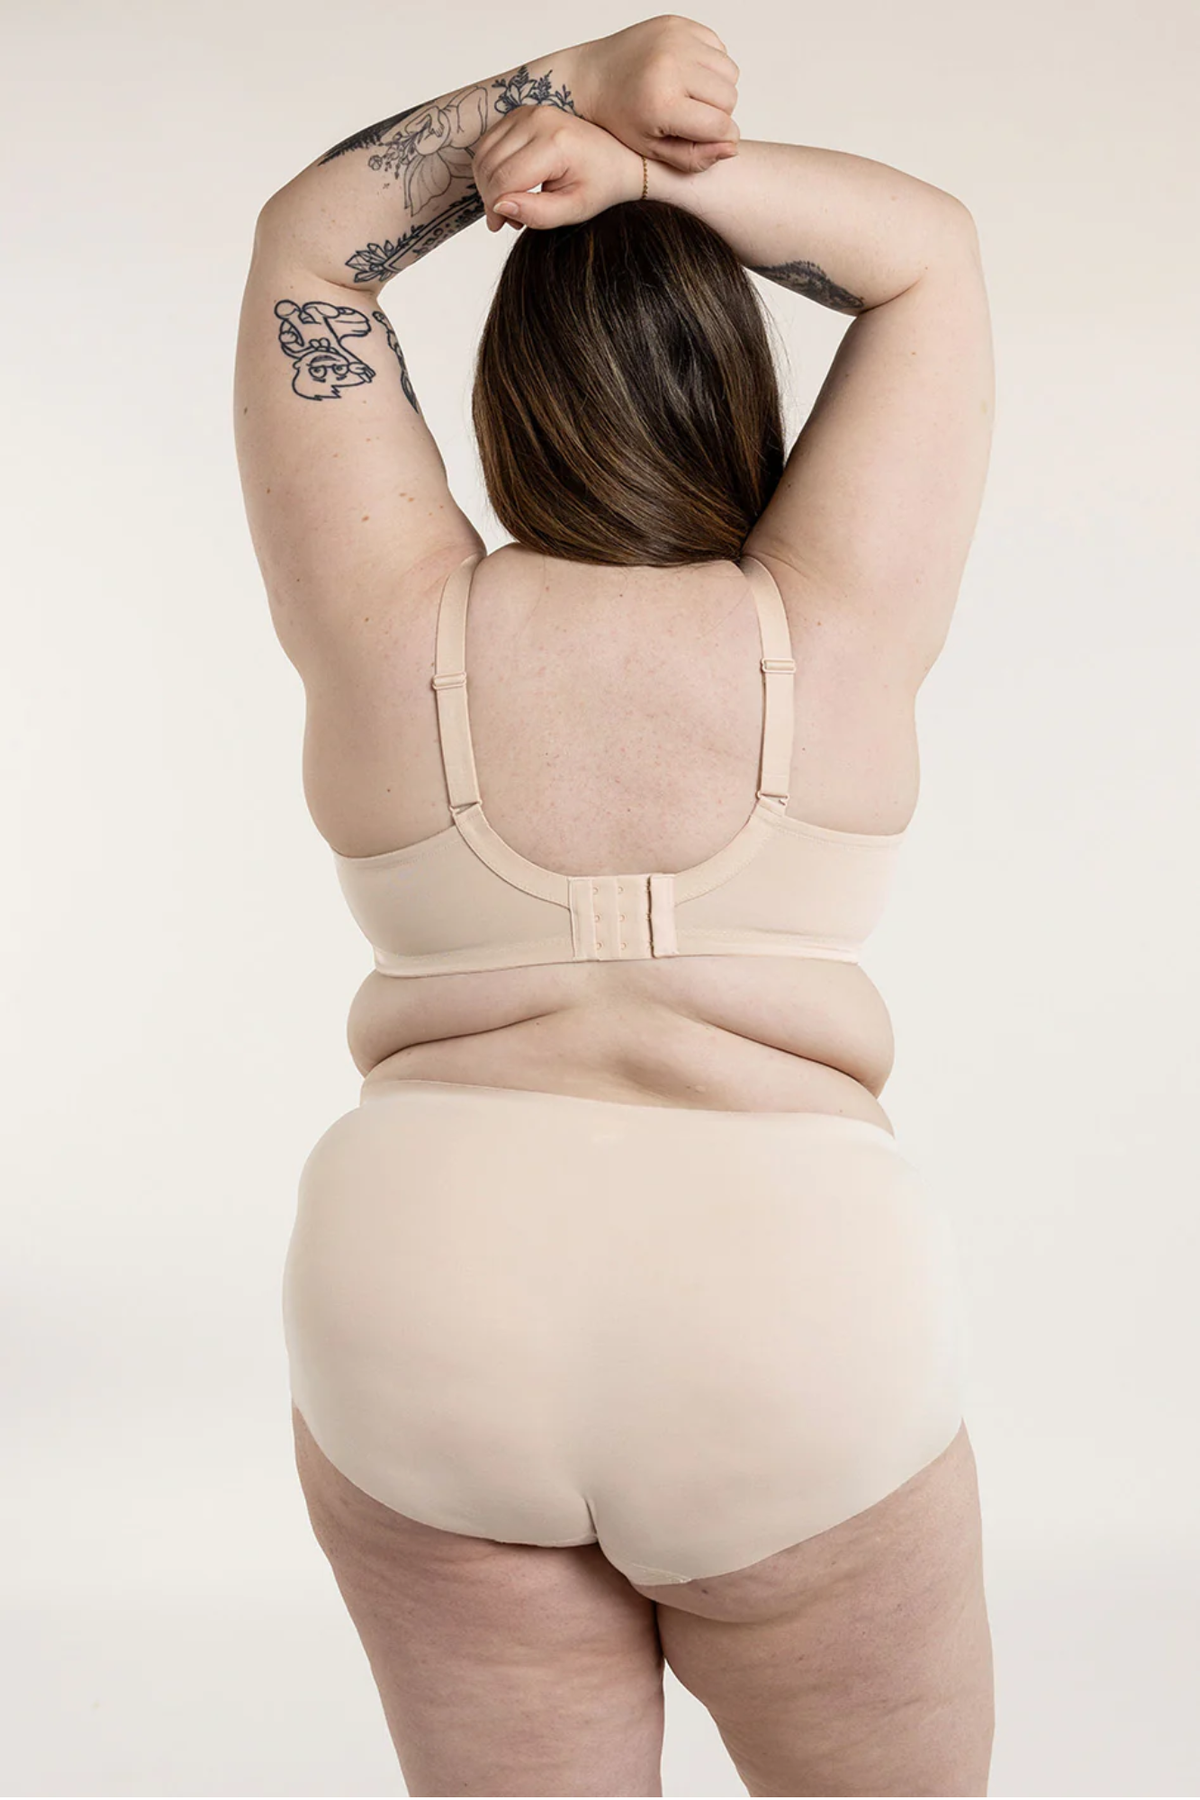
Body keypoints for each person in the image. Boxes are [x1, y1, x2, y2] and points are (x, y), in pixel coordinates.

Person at [233, 15, 996, 1796]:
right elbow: (927, 256)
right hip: (787, 1308)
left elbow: (308, 250)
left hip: (426, 1300)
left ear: (504, 405)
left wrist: (576, 88)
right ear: (744, 391)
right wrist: (652, 169)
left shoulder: (390, 624)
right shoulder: (836, 626)